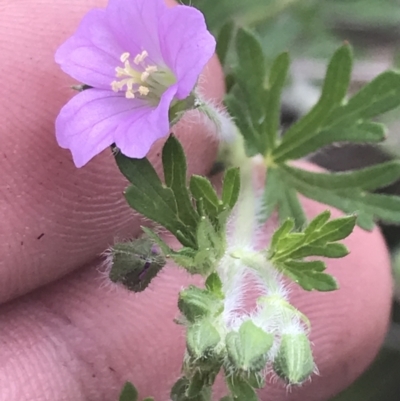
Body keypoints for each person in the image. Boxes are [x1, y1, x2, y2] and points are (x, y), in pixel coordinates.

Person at [0, 0, 392, 399]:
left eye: (151, 78)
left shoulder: (168, 54)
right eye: (139, 78)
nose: (139, 77)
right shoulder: (110, 94)